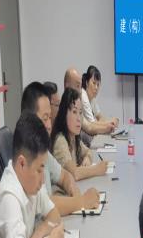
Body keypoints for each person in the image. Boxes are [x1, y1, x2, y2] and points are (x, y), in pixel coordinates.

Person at [21, 82, 100, 213]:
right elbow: (46, 204)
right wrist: (82, 201)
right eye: (44, 118)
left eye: (49, 117)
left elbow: (64, 176)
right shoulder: (27, 157)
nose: (49, 125)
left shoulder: (43, 151)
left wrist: (74, 192)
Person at [51, 88, 108, 180]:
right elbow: (74, 173)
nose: (78, 118)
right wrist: (97, 169)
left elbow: (88, 151)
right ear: (64, 114)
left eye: (80, 112)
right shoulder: (60, 140)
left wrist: (87, 159)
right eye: (74, 112)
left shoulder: (73, 137)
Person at [81, 65, 119, 135]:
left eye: (98, 85)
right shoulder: (83, 96)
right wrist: (110, 123)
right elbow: (92, 124)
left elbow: (100, 117)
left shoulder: (92, 98)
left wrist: (110, 123)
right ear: (87, 82)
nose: (96, 87)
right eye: (94, 83)